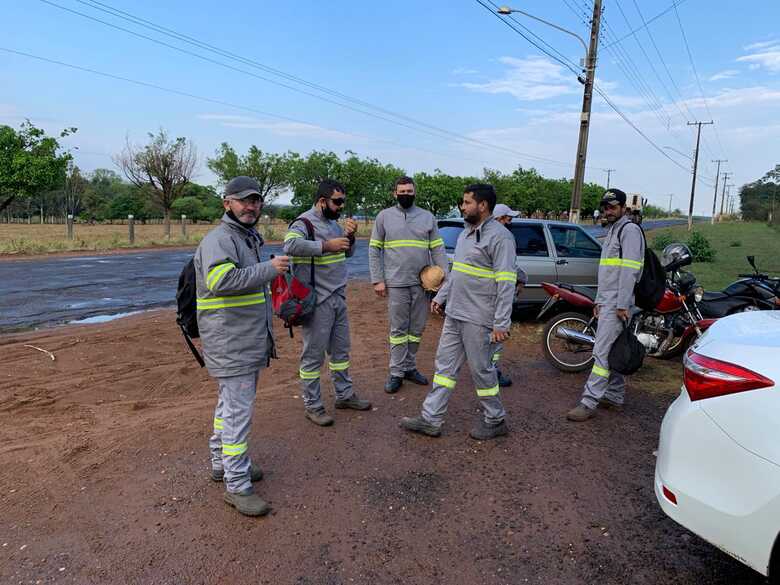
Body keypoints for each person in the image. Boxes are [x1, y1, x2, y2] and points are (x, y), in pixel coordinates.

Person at [194, 176, 289, 517]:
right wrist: (270, 269)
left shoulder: (244, 238)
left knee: (228, 405)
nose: (251, 207)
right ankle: (237, 485)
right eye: (244, 201)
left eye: (256, 201)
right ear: (227, 203)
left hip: (242, 338)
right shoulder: (221, 239)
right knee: (237, 413)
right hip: (231, 340)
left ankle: (222, 464)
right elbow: (221, 281)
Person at [400, 184, 516, 440]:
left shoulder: (501, 237)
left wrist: (501, 323)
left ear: (482, 205)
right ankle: (431, 418)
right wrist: (441, 297)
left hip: (479, 317)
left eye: (466, 202)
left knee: (481, 370)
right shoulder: (465, 234)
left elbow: (506, 282)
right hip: (456, 313)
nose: (462, 207)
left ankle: (495, 419)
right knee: (444, 367)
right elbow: (457, 274)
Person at [283, 179, 372, 427]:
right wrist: (325, 245)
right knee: (313, 357)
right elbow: (290, 245)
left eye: (343, 201)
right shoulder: (303, 223)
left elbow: (346, 252)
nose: (341, 206)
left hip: (338, 297)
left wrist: (350, 238)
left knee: (341, 352)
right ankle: (313, 406)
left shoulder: (334, 224)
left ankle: (344, 395)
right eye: (337, 201)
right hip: (317, 301)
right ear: (322, 201)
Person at [567, 188, 644, 422]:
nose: (607, 211)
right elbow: (608, 272)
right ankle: (614, 396)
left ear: (623, 208)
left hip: (618, 302)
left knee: (600, 353)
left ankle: (589, 402)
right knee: (611, 350)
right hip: (609, 300)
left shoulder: (629, 231)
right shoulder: (612, 230)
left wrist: (622, 304)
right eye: (605, 207)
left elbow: (630, 271)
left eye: (612, 207)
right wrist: (600, 300)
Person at [368, 176, 449, 394]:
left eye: (409, 191)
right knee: (398, 330)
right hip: (395, 283)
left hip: (422, 284)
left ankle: (409, 367)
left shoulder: (427, 217)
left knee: (416, 329)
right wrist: (378, 280)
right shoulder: (384, 217)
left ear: (415, 192)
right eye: (401, 191)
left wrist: (444, 277)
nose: (405, 194)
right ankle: (396, 373)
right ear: (395, 193)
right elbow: (374, 249)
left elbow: (438, 250)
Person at [491, 203, 529, 387]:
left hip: (489, 298)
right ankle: (491, 372)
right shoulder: (503, 239)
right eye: (507, 218)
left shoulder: (488, 236)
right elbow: (508, 269)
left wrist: (522, 278)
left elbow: (510, 265)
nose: (510, 222)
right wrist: (522, 278)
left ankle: (490, 369)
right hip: (496, 298)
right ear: (498, 219)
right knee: (496, 336)